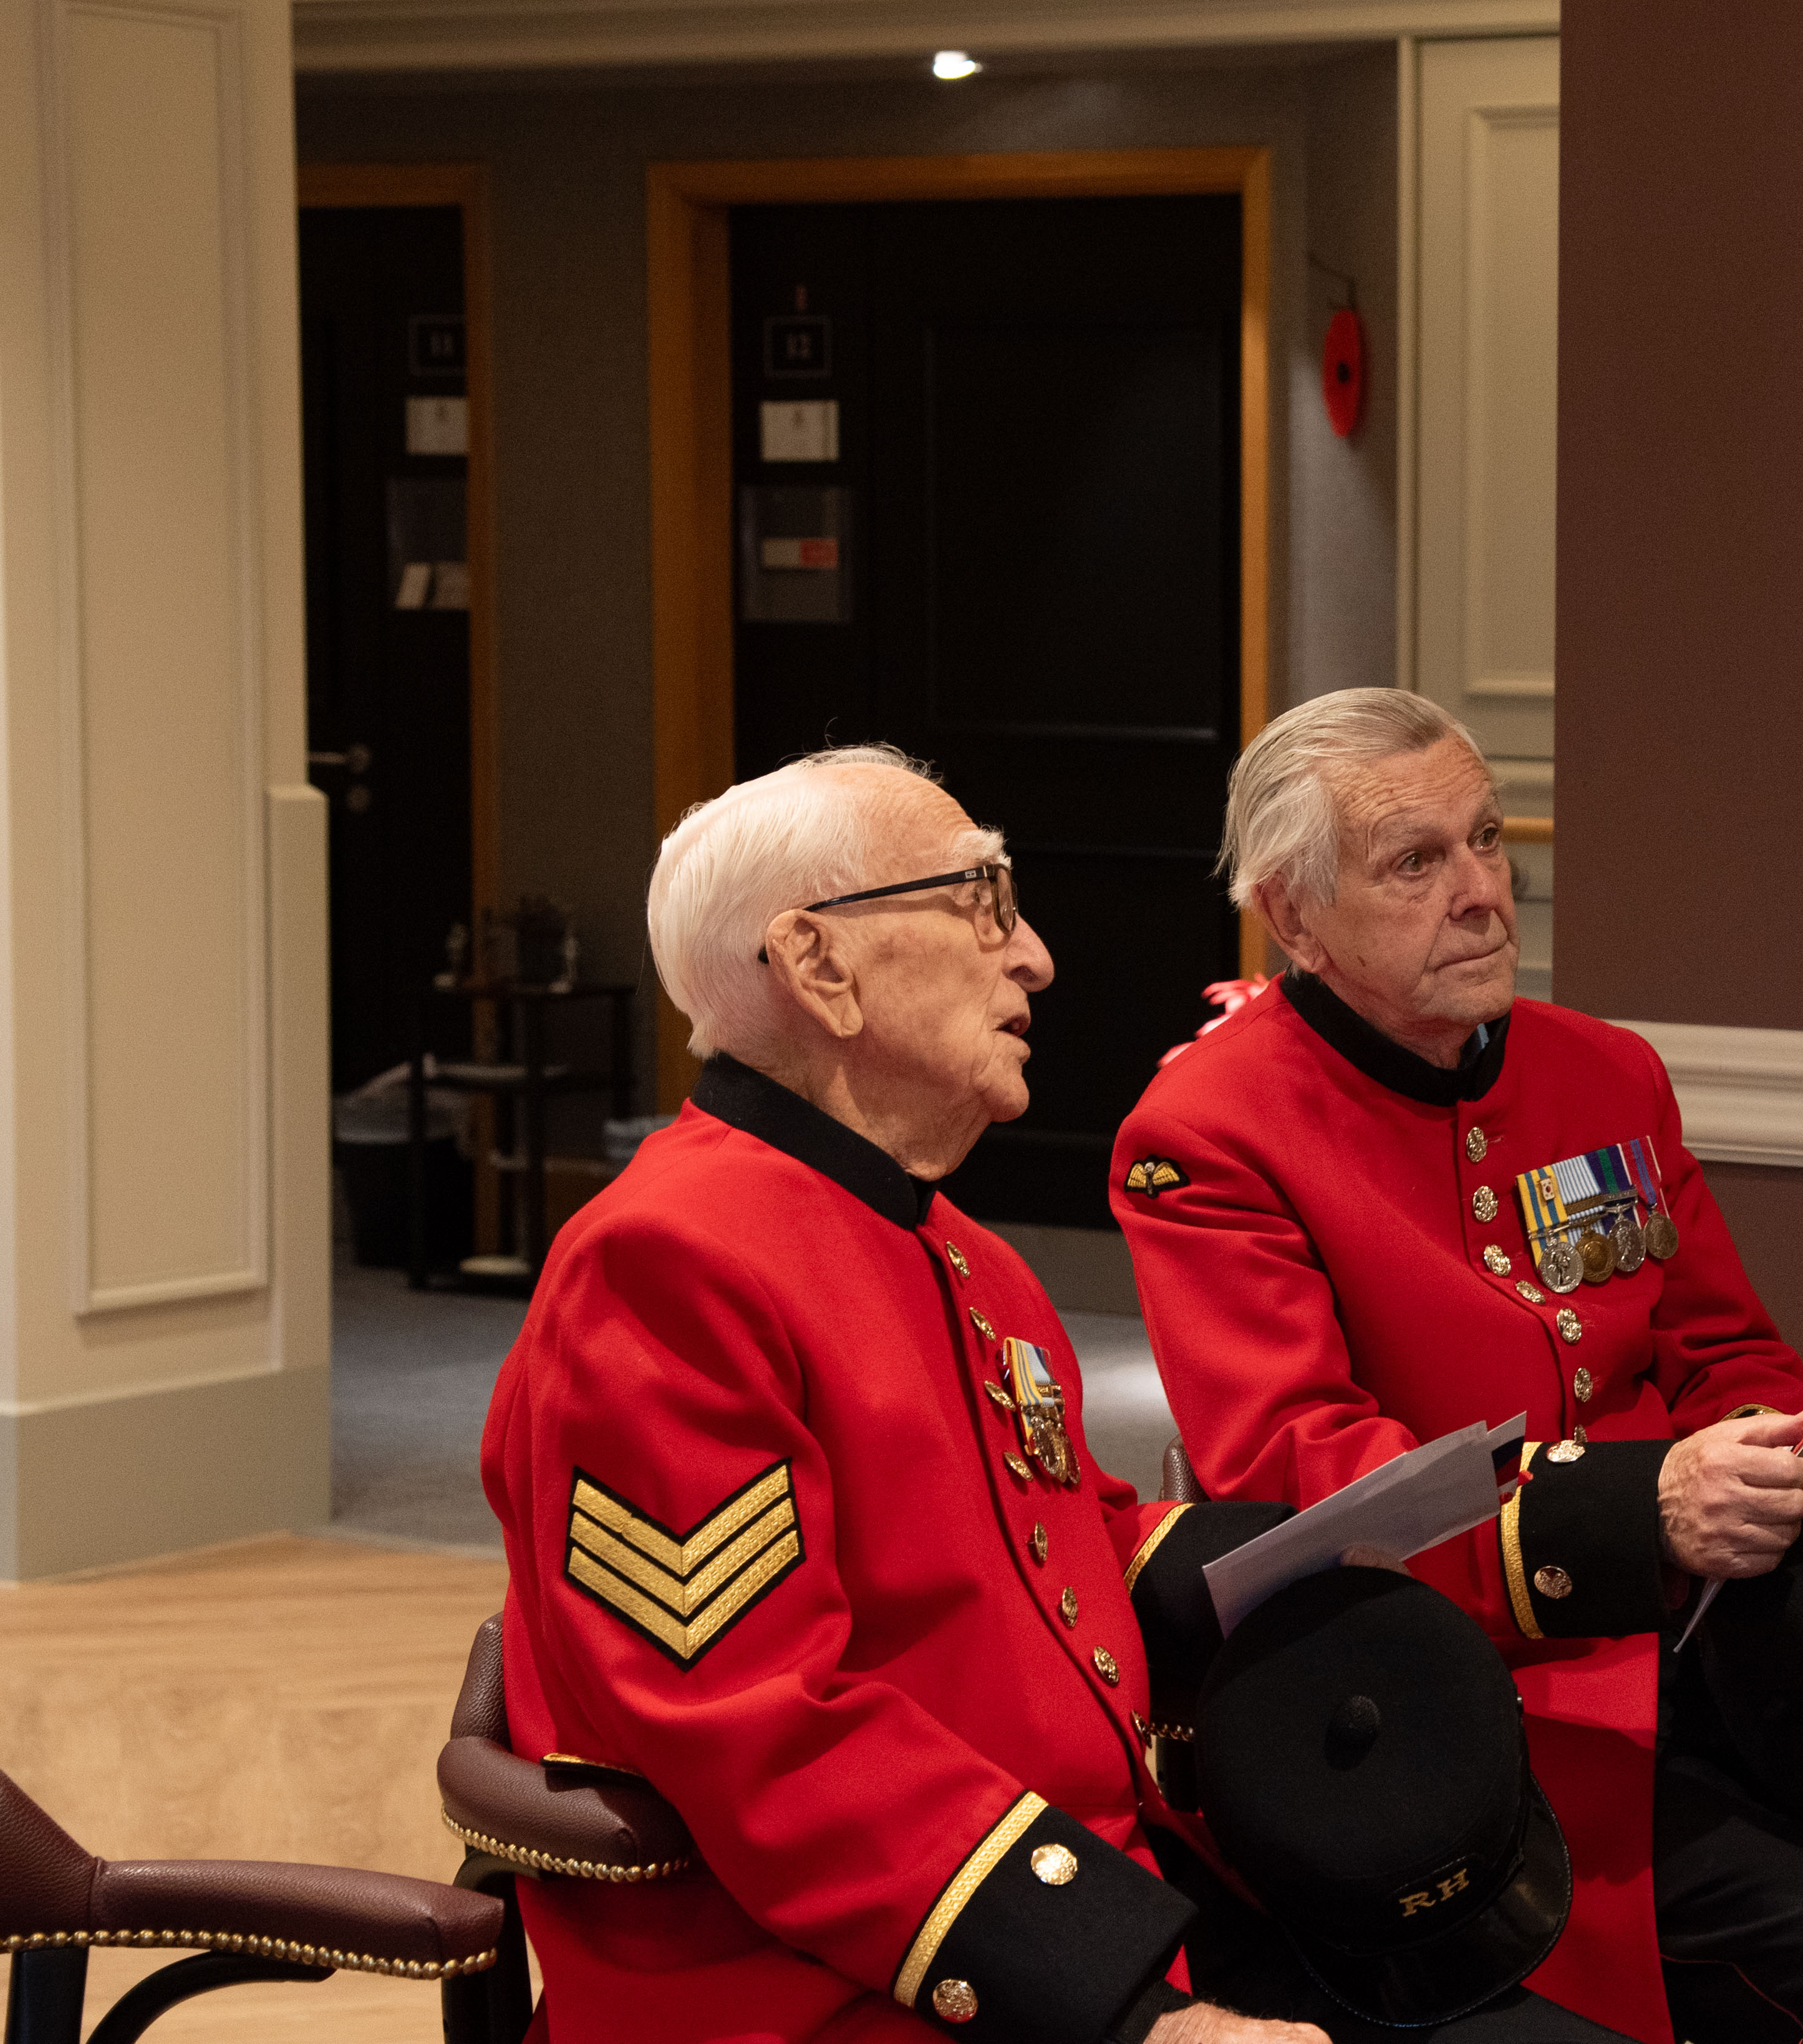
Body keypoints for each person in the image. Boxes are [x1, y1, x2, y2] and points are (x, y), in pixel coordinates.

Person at [1112, 689, 1803, 2044]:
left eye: (1486, 840)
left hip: (1723, 1628)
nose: (1482, 893)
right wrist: (1635, 1509)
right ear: (1290, 915)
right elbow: (1300, 1474)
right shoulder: (1209, 1132)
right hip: (1482, 1694)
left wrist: (1773, 1440)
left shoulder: (1603, 1072)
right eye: (1415, 863)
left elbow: (1720, 1347)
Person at [484, 745, 1345, 2044]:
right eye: (982, 900)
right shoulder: (666, 1265)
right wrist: (1127, 2008)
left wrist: (1326, 1559)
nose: (1035, 955)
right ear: (818, 966)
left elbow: (1069, 1549)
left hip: (1064, 1902)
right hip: (830, 1981)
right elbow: (760, 1738)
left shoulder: (955, 1249)